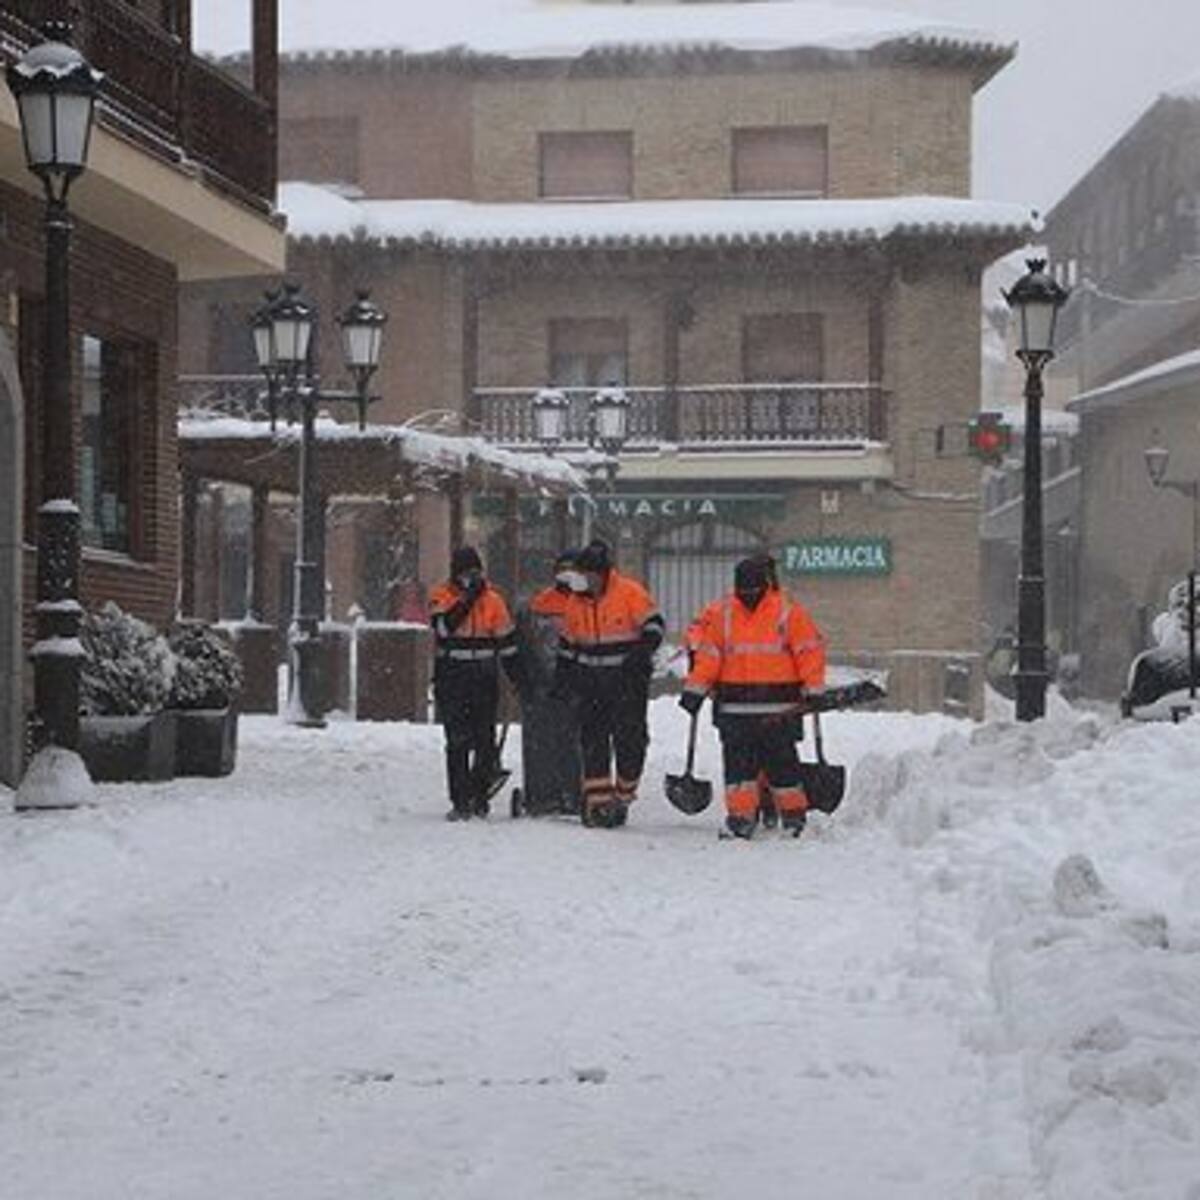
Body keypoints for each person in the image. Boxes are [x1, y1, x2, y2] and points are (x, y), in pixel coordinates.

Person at [680, 556, 826, 839]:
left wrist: (814, 688)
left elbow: (809, 650)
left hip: (775, 709)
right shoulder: (723, 614)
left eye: (751, 588)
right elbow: (709, 657)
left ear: (764, 585)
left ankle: (793, 817)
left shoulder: (787, 613)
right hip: (742, 709)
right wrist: (694, 690)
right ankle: (741, 818)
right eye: (742, 589)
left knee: (781, 766)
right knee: (739, 771)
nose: (746, 595)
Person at [555, 538, 665, 828]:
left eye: (589, 575)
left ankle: (623, 794)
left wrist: (642, 651)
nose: (585, 581)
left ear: (602, 574)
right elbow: (567, 645)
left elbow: (654, 625)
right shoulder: (574, 604)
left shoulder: (630, 593)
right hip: (590, 685)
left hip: (627, 684)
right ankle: (598, 805)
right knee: (593, 743)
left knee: (631, 742)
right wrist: (562, 678)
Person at [428, 546, 520, 821]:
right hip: (452, 676)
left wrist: (517, 675)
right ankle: (460, 799)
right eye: (467, 572)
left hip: (483, 677)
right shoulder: (440, 596)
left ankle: (479, 796)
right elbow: (445, 629)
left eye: (476, 572)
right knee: (457, 741)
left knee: (484, 739)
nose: (472, 577)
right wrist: (468, 599)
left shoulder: (493, 600)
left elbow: (506, 641)